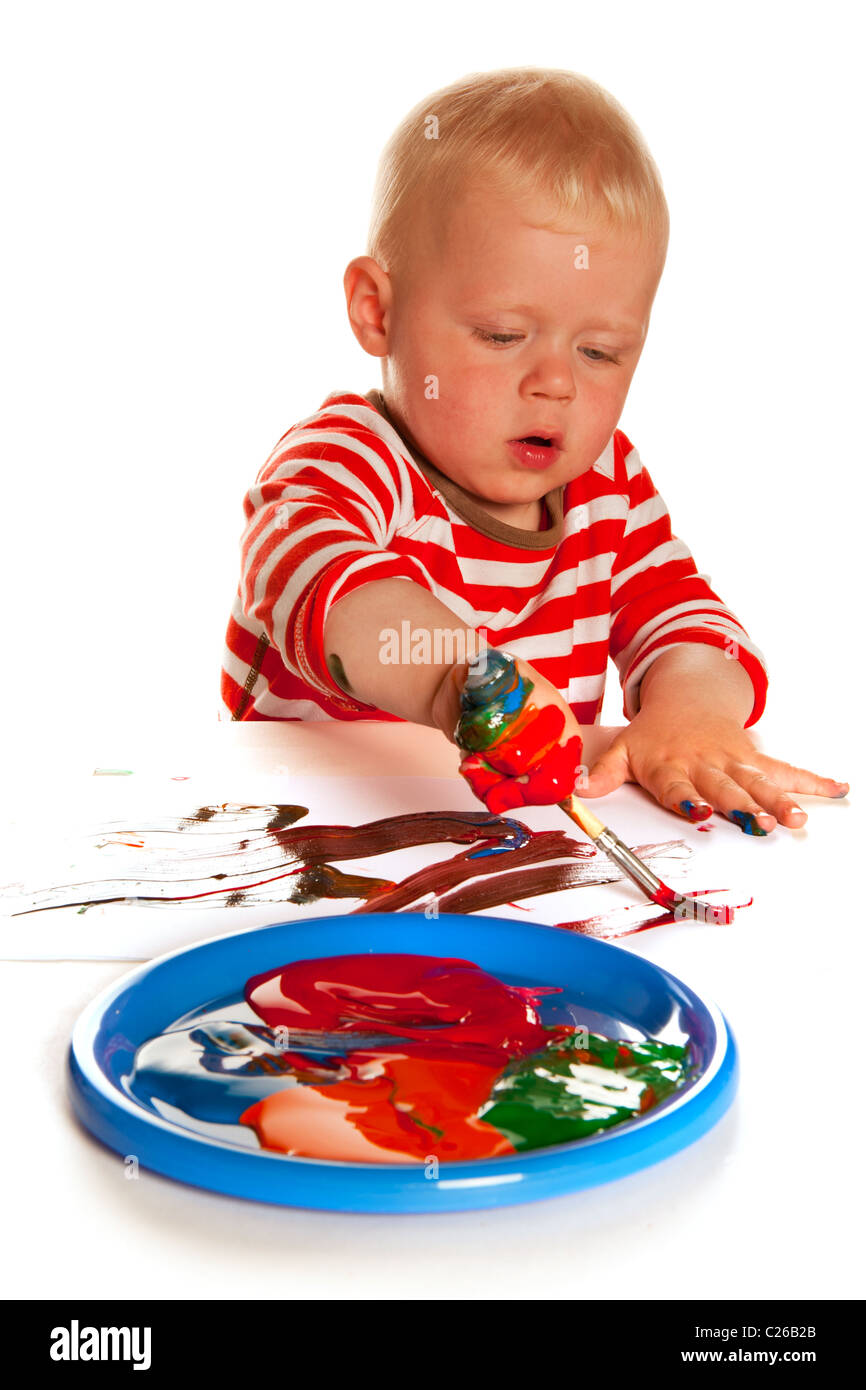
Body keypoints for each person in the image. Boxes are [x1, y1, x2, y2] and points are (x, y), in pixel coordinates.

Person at [220, 67, 848, 833]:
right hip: (319, 845)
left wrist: (690, 712)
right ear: (378, 311)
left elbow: (686, 618)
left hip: (518, 849)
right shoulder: (346, 460)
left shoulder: (606, 483)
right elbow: (327, 585)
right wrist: (461, 682)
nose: (554, 382)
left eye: (601, 351)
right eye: (502, 336)